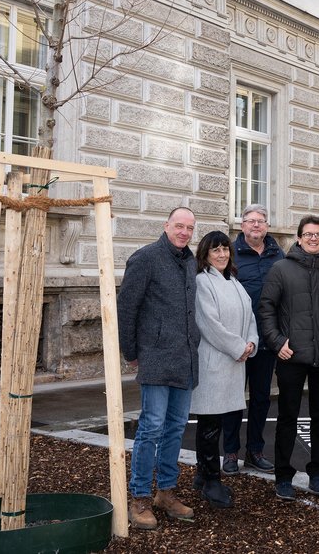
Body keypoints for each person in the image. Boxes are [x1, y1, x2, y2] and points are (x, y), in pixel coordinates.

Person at [118, 206, 199, 529]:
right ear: (166, 226)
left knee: (176, 428)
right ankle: (139, 498)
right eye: (179, 226)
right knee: (150, 428)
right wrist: (131, 351)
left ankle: (165, 492)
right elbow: (127, 305)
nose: (184, 232)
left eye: (189, 228)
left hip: (184, 360)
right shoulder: (146, 257)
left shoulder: (190, 261)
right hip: (155, 357)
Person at [259, 215, 319, 501]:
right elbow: (266, 309)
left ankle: (318, 473)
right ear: (298, 238)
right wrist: (276, 342)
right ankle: (283, 476)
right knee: (287, 417)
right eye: (308, 234)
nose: (313, 238)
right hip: (291, 356)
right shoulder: (280, 270)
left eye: (318, 234)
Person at [190, 231, 259, 508]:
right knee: (209, 424)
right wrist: (238, 347)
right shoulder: (202, 282)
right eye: (215, 250)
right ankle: (211, 481)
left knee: (217, 423)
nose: (221, 254)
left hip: (234, 363)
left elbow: (250, 316)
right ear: (205, 254)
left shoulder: (234, 282)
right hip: (214, 365)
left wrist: (251, 342)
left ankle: (201, 475)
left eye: (225, 249)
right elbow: (209, 324)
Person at [221, 204, 285, 475]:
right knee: (234, 398)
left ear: (267, 226)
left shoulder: (278, 256)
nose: (256, 225)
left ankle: (255, 451)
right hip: (238, 342)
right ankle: (231, 452)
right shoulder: (230, 255)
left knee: (261, 398)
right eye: (250, 221)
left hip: (267, 339)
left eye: (260, 221)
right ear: (242, 226)